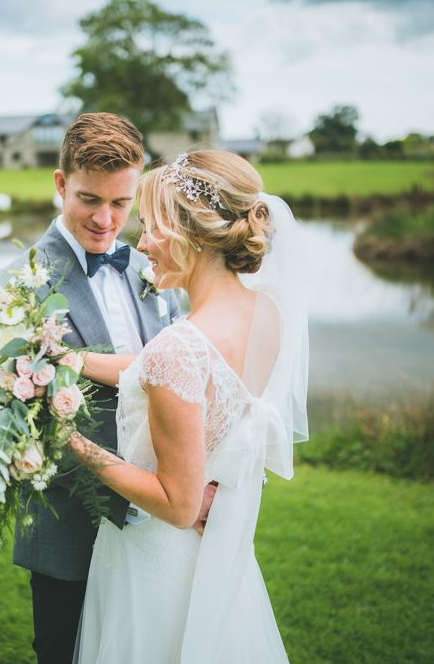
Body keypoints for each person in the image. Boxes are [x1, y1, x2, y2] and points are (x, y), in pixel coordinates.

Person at [69, 150, 310, 662]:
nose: (142, 243)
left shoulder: (180, 349)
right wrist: (71, 359)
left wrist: (71, 443)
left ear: (192, 235)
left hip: (157, 560)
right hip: (218, 555)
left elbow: (178, 505)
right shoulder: (264, 311)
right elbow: (171, 372)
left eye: (152, 227)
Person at [2, 113, 216, 664]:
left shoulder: (153, 266)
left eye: (121, 204)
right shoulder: (18, 287)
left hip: (160, 524)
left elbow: (182, 381)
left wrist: (194, 480)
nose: (105, 220)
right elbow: (36, 427)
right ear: (59, 184)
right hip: (72, 526)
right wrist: (157, 500)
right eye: (88, 199)